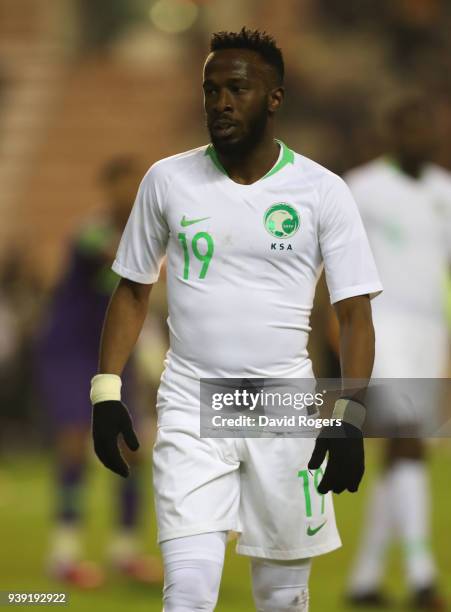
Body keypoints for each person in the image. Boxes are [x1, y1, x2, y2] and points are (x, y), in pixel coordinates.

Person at [90, 28, 382, 610]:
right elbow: (131, 291)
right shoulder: (166, 181)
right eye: (210, 90)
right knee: (188, 593)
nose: (220, 102)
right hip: (191, 402)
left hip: (285, 407)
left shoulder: (322, 192)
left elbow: (354, 314)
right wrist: (105, 391)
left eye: (237, 89)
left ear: (273, 98)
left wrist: (348, 415)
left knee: (282, 598)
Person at [35, 156, 163, 588]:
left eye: (135, 187)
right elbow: (117, 259)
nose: (128, 195)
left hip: (113, 356)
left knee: (132, 448)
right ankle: (64, 554)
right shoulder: (90, 231)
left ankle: (125, 552)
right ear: (106, 190)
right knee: (74, 442)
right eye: (121, 186)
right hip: (70, 352)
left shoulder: (143, 236)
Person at [344, 95, 450, 609]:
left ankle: (364, 580)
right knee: (406, 439)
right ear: (392, 133)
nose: (420, 138)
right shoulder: (363, 189)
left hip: (430, 331)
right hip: (381, 324)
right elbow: (337, 267)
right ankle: (421, 572)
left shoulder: (445, 192)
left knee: (402, 453)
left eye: (426, 129)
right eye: (409, 129)